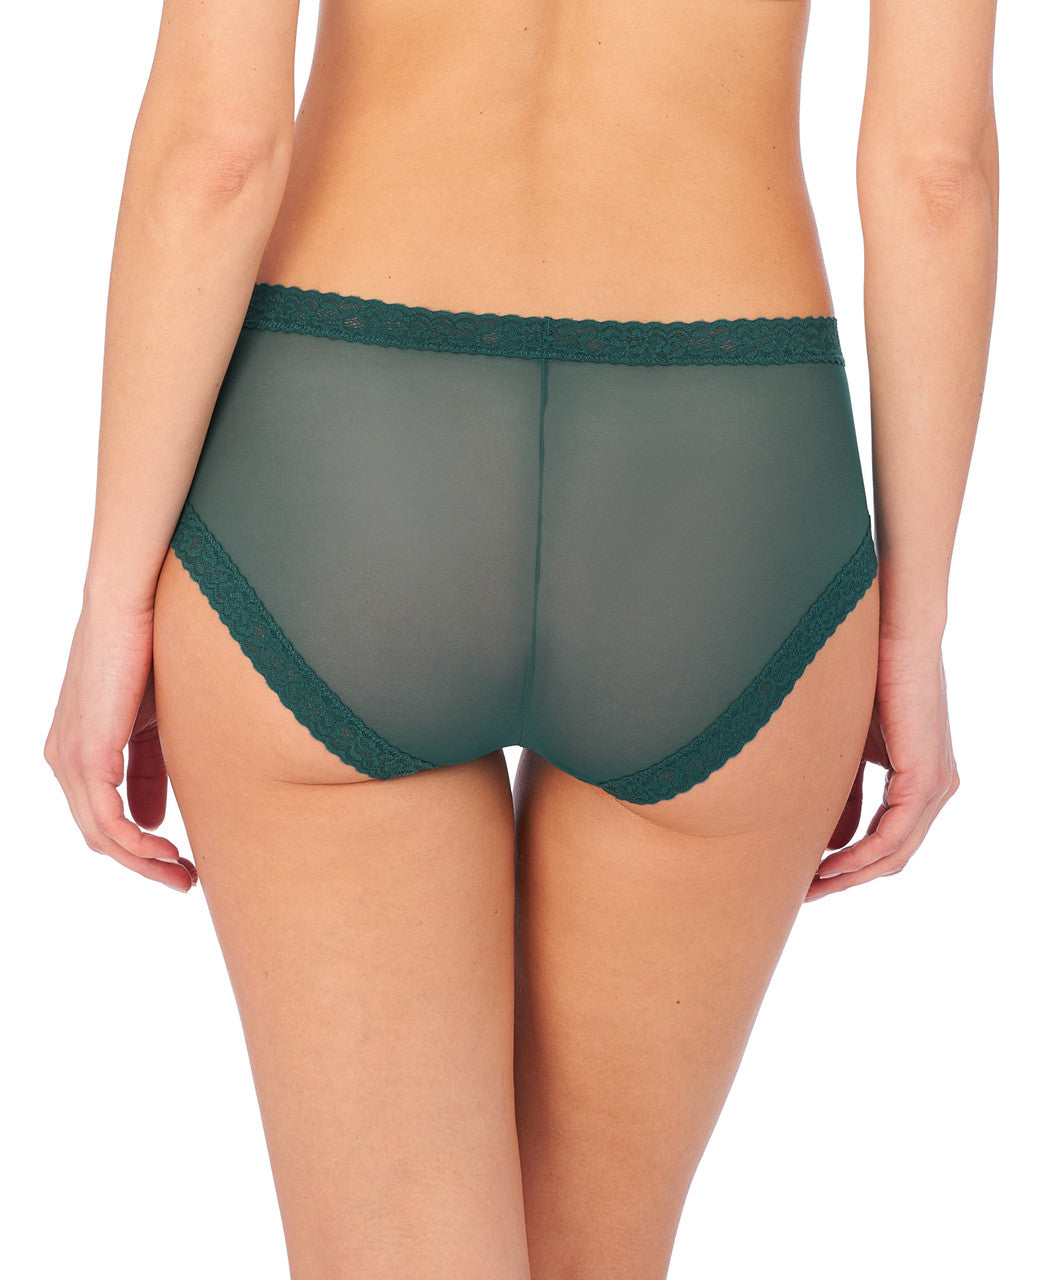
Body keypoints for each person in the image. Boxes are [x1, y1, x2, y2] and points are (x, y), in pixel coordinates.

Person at [43, 0, 997, 1276]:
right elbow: (935, 173)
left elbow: (214, 152)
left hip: (342, 471)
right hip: (722, 497)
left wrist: (113, 601)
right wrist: (912, 634)